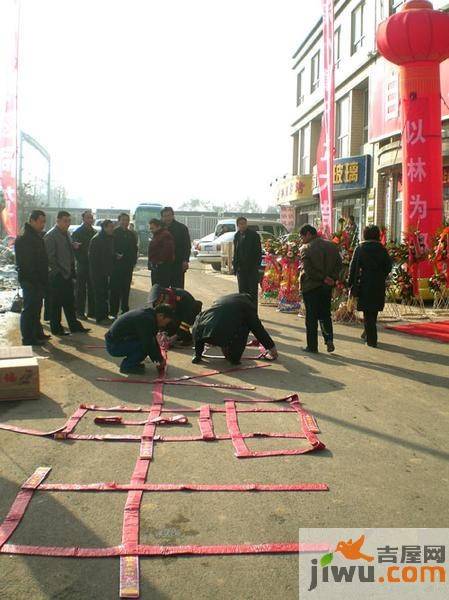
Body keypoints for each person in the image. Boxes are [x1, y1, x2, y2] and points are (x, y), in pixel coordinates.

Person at [192, 293, 278, 365]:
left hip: (201, 332)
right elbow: (259, 330)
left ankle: (197, 354)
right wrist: (272, 349)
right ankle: (233, 357)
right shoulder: (247, 307)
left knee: (203, 320)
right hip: (223, 335)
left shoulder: (222, 300)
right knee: (247, 325)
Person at [44, 211, 90, 336]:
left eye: (69, 221)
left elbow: (66, 251)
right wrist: (58, 271)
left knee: (69, 302)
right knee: (56, 304)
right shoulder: (51, 235)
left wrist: (73, 246)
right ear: (57, 221)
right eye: (65, 221)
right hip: (58, 275)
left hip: (68, 273)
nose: (68, 223)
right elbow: (50, 257)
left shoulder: (66, 234)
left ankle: (74, 326)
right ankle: (56, 328)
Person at [299, 224, 342, 354]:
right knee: (325, 314)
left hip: (311, 287)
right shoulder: (332, 246)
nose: (302, 239)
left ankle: (312, 346)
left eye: (302, 236)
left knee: (311, 317)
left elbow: (309, 270)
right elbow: (339, 265)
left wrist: (323, 277)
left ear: (308, 234)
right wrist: (331, 278)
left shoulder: (306, 248)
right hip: (326, 287)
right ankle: (328, 339)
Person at [348, 225, 393, 348]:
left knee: (367, 313)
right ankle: (368, 333)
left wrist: (350, 283)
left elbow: (353, 267)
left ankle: (372, 340)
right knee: (373, 311)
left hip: (364, 283)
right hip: (378, 283)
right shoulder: (382, 249)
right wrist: (381, 275)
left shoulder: (360, 248)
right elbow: (389, 266)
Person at [105, 304, 175, 374]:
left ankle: (131, 364)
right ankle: (127, 366)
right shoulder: (146, 320)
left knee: (146, 344)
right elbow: (148, 343)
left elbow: (152, 338)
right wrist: (159, 360)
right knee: (144, 347)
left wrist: (159, 358)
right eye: (165, 322)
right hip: (114, 346)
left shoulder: (148, 315)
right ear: (161, 315)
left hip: (116, 341)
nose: (164, 325)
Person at [14, 210, 50, 346]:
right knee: (29, 309)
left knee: (37, 308)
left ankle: (37, 333)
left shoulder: (36, 236)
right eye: (41, 222)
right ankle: (28, 338)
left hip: (38, 280)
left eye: (44, 222)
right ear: (32, 221)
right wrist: (35, 280)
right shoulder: (24, 238)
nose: (43, 224)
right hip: (30, 280)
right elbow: (27, 263)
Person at [109, 213, 138, 318]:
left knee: (126, 290)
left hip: (127, 266)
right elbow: (110, 249)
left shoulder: (131, 234)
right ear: (119, 221)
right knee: (115, 290)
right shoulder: (114, 233)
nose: (125, 222)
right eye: (123, 220)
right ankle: (113, 312)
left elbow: (134, 249)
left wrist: (133, 262)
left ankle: (125, 311)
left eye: (127, 220)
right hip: (116, 267)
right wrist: (115, 255)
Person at [88, 219, 115, 325]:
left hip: (105, 272)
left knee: (104, 295)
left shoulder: (109, 238)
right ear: (105, 227)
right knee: (100, 296)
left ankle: (105, 315)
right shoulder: (97, 239)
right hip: (98, 273)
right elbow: (93, 259)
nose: (112, 229)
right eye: (110, 227)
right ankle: (100, 318)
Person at [233, 216, 262, 309]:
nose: (243, 225)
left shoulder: (254, 235)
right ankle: (244, 312)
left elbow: (258, 252)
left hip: (251, 269)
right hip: (241, 270)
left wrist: (256, 266)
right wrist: (235, 267)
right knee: (242, 293)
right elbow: (235, 252)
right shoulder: (237, 236)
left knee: (252, 292)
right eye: (241, 224)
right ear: (237, 225)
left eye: (244, 223)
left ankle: (253, 313)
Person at [72, 210, 96, 320]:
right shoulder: (77, 232)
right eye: (88, 217)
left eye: (91, 217)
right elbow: (75, 250)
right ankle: (80, 312)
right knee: (81, 290)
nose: (90, 219)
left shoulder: (94, 232)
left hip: (92, 265)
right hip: (82, 265)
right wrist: (82, 260)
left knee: (92, 289)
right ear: (83, 219)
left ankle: (92, 312)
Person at [160, 206, 191, 288]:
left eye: (169, 215)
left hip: (178, 263)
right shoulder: (159, 229)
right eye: (165, 216)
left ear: (173, 216)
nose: (167, 218)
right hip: (163, 265)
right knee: (163, 291)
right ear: (162, 217)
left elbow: (187, 245)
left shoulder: (182, 228)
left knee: (178, 291)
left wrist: (185, 260)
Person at [147, 218, 175, 286]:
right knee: (156, 289)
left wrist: (158, 261)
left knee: (161, 290)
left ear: (159, 226)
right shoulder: (157, 235)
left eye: (152, 228)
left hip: (162, 268)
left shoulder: (165, 235)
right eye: (150, 228)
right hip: (156, 267)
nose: (151, 230)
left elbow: (167, 251)